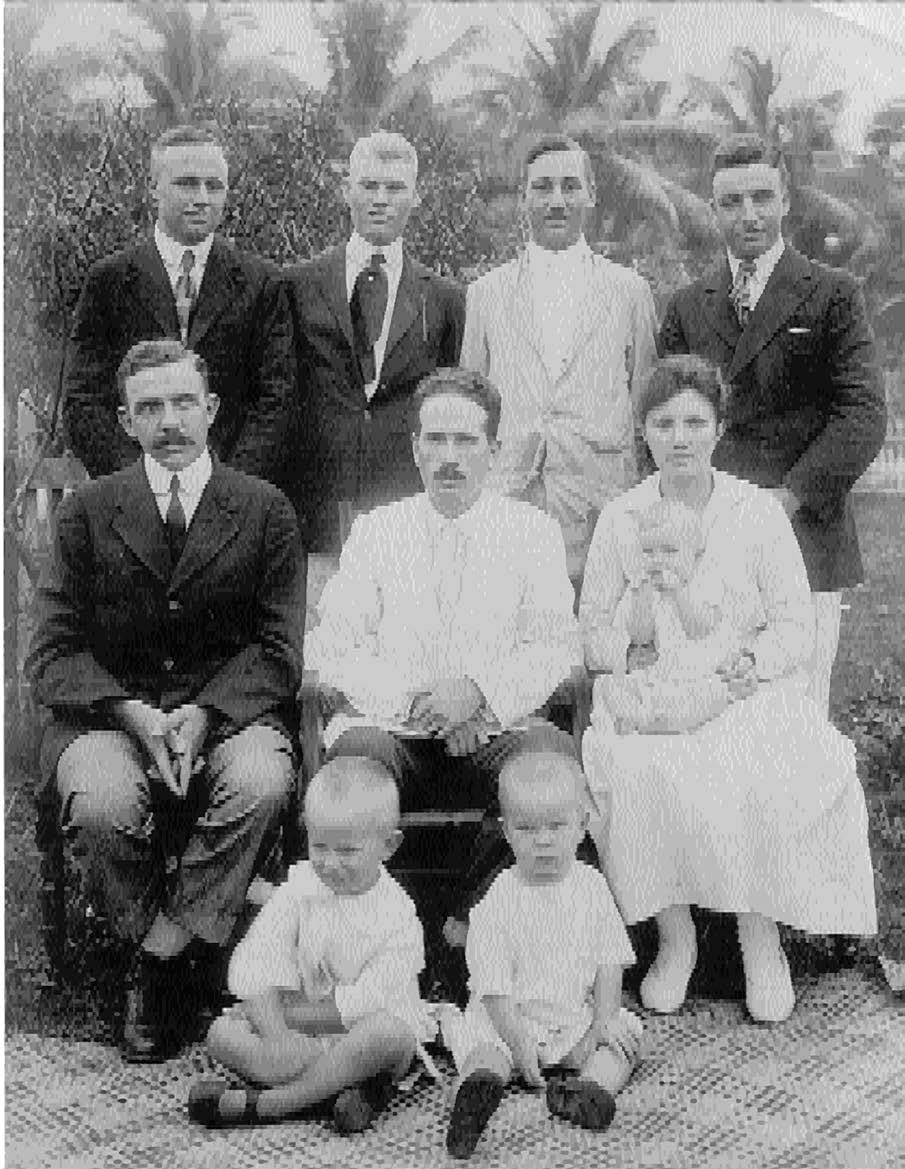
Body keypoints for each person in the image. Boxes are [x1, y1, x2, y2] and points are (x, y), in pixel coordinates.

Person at [27, 339, 304, 1062]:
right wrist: (131, 712)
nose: (170, 421)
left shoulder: (264, 509)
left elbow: (278, 650)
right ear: (124, 420)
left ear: (211, 410)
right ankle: (170, 953)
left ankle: (160, 955)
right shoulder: (87, 512)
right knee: (99, 798)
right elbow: (51, 650)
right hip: (112, 717)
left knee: (261, 780)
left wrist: (205, 712)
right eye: (149, 407)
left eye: (184, 402)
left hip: (229, 717)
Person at [580, 355, 877, 1024]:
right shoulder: (621, 517)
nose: (678, 438)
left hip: (741, 687)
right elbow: (590, 629)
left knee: (753, 763)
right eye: (663, 424)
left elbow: (793, 623)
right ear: (644, 433)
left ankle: (758, 936)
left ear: (718, 428)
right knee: (635, 765)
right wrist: (631, 650)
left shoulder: (755, 511)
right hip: (653, 689)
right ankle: (675, 938)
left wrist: (750, 659)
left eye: (693, 422)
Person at [305, 367, 586, 923]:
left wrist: (478, 694)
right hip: (394, 729)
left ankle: (473, 928)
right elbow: (333, 644)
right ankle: (382, 933)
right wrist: (420, 705)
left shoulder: (531, 532)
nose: (450, 456)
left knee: (547, 767)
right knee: (356, 767)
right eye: (436, 440)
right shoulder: (377, 532)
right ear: (415, 449)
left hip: (497, 728)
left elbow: (555, 645)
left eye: (466, 440)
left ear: (494, 449)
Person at [659, 133, 887, 715]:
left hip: (805, 537)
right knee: (711, 718)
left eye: (762, 197)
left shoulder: (832, 294)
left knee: (796, 717)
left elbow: (861, 414)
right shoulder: (687, 305)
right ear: (713, 210)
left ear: (786, 200)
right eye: (731, 202)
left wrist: (787, 498)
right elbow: (667, 419)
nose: (748, 215)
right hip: (710, 546)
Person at [188, 757, 434, 1131]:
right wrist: (277, 1035)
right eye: (319, 847)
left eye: (347, 851)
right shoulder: (300, 888)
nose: (330, 864)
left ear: (389, 845)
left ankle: (271, 1103)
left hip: (358, 1029)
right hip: (299, 1029)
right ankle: (337, 1091)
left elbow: (371, 1000)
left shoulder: (398, 915)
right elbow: (260, 957)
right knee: (222, 1034)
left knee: (386, 1036)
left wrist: (301, 1026)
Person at [460, 134, 658, 582]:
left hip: (600, 503)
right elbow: (472, 408)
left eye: (570, 186)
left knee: (601, 642)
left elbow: (644, 399)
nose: (556, 200)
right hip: (509, 501)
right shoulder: (484, 295)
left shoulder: (630, 291)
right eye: (543, 187)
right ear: (523, 198)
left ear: (591, 195)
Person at [62, 124, 296, 496]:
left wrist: (224, 488)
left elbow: (276, 400)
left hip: (231, 501)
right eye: (187, 183)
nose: (202, 198)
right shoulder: (109, 281)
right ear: (153, 190)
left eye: (214, 186)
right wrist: (141, 483)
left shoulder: (262, 284)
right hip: (135, 500)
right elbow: (82, 400)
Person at [440, 752, 642, 1160]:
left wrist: (600, 1024)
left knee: (626, 1035)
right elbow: (493, 988)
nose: (543, 839)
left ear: (582, 826)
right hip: (507, 1020)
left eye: (556, 826)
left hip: (571, 1019)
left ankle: (591, 1089)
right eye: (527, 828)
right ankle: (476, 1095)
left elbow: (609, 962)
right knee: (485, 1051)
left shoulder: (592, 888)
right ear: (507, 833)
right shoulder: (498, 900)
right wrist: (517, 1042)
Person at [286, 131, 466, 553]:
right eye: (369, 186)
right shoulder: (297, 285)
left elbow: (450, 401)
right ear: (346, 191)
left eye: (395, 188)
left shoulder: (444, 299)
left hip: (406, 504)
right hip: (316, 508)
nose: (381, 199)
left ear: (416, 197)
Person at [596, 498, 744, 735]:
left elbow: (700, 628)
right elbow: (639, 636)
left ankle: (658, 721)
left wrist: (679, 594)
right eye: (648, 552)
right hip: (664, 674)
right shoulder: (642, 589)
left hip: (701, 674)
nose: (658, 560)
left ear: (696, 557)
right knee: (609, 687)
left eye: (670, 551)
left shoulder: (704, 586)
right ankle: (642, 717)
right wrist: (643, 597)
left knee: (710, 695)